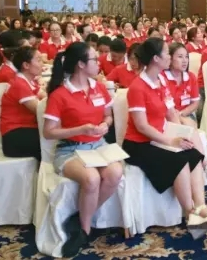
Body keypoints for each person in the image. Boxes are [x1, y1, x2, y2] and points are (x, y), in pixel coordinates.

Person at [122, 38, 207, 235]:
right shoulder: (137, 87)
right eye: (167, 53)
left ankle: (201, 207)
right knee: (179, 160)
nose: (169, 56)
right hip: (139, 144)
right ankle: (190, 213)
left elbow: (170, 113)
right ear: (156, 58)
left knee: (193, 154)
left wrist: (181, 134)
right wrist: (171, 141)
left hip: (159, 137)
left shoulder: (160, 81)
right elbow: (142, 126)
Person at [43, 42, 122, 256]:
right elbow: (48, 132)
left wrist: (105, 124)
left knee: (115, 173)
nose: (99, 63)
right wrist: (81, 129)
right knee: (92, 178)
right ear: (81, 64)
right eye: (95, 59)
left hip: (98, 145)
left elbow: (108, 115)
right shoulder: (60, 94)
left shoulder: (99, 87)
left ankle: (78, 219)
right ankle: (84, 230)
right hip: (70, 149)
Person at [163, 43, 207, 184]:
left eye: (186, 57)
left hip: (185, 114)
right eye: (180, 57)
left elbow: (195, 103)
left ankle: (203, 167)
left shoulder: (190, 76)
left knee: (187, 123)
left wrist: (182, 113)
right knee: (187, 126)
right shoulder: (162, 78)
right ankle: (206, 164)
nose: (184, 60)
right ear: (170, 59)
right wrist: (176, 115)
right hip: (166, 117)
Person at [0, 46, 45, 161]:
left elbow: (44, 95)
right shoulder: (19, 84)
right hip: (15, 136)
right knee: (57, 141)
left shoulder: (29, 81)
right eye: (39, 60)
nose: (42, 63)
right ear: (26, 65)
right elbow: (40, 110)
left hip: (28, 129)